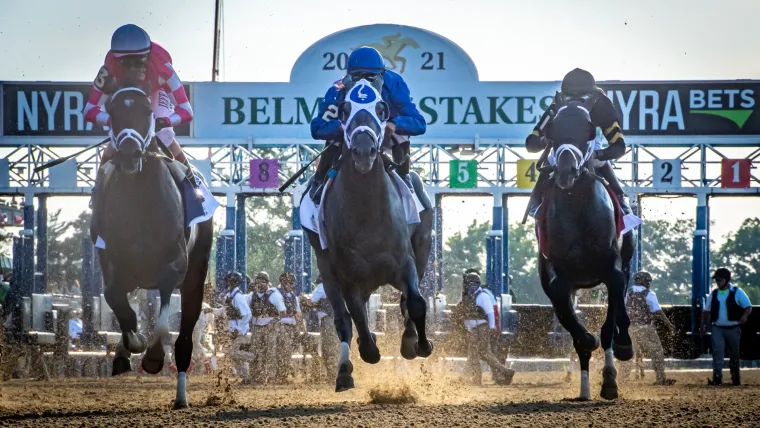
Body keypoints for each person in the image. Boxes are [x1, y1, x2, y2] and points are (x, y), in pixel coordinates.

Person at [309, 46, 426, 201]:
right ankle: (320, 178)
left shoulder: (394, 84)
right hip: (351, 137)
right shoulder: (338, 89)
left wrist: (393, 125)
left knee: (401, 135)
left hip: (384, 135)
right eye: (357, 76)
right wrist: (342, 126)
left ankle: (404, 175)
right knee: (333, 139)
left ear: (382, 74)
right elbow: (317, 128)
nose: (364, 81)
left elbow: (419, 123)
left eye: (371, 77)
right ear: (348, 75)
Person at [525, 68, 631, 217]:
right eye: (569, 97)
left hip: (589, 150)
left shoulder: (601, 105)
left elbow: (619, 147)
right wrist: (547, 138)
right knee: (551, 161)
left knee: (601, 164)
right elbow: (531, 144)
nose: (574, 101)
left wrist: (597, 154)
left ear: (592, 95)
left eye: (582, 96)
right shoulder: (558, 104)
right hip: (560, 150)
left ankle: (622, 207)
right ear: (564, 95)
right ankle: (535, 204)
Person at [85, 24, 194, 169]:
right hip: (124, 92)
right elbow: (89, 109)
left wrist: (166, 121)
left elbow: (187, 110)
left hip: (155, 92)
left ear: (148, 56)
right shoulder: (108, 71)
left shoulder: (163, 68)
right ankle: (99, 184)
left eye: (139, 61)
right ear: (117, 61)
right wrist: (112, 121)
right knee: (116, 136)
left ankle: (193, 182)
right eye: (126, 63)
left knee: (164, 135)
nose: (132, 68)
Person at [459, 272, 514, 385]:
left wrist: (492, 327)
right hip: (472, 329)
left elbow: (490, 313)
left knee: (482, 353)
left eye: (473, 283)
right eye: (469, 283)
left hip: (482, 328)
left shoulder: (483, 296)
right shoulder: (465, 297)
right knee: (478, 354)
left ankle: (478, 379)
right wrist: (467, 328)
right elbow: (464, 313)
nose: (471, 286)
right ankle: (504, 372)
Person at [701, 268, 752, 386]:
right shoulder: (714, 293)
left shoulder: (737, 292)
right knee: (717, 353)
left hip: (733, 328)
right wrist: (703, 324)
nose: (718, 282)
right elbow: (706, 311)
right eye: (717, 280)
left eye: (720, 280)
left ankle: (735, 378)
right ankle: (717, 378)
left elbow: (748, 307)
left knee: (734, 354)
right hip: (717, 328)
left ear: (726, 279)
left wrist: (744, 316)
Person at [627, 271, 676, 385]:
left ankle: (620, 380)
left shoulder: (628, 292)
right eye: (647, 281)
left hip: (630, 327)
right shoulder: (649, 294)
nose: (649, 283)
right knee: (657, 351)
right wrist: (669, 324)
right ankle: (660, 378)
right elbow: (658, 311)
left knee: (628, 354)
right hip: (646, 327)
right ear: (641, 281)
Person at [248, 271, 287, 384]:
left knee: (270, 351)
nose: (260, 284)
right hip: (257, 326)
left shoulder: (274, 295)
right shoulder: (252, 296)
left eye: (263, 281)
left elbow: (283, 312)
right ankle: (255, 376)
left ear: (267, 283)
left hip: (270, 326)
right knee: (255, 351)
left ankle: (271, 376)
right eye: (258, 281)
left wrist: (274, 321)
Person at [301, 275, 339, 382]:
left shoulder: (322, 286)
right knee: (336, 347)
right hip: (338, 319)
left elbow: (311, 302)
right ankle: (338, 373)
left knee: (328, 348)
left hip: (328, 320)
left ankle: (333, 375)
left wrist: (304, 298)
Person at [276, 272, 307, 383]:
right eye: (286, 282)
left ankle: (285, 373)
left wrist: (303, 329)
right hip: (281, 325)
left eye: (290, 283)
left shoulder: (294, 297)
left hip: (292, 326)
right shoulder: (277, 293)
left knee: (289, 350)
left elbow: (298, 314)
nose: (288, 284)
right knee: (284, 349)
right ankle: (281, 374)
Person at [223, 272, 254, 383]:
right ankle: (245, 377)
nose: (227, 283)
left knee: (232, 352)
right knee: (234, 356)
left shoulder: (238, 296)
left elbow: (247, 314)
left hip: (239, 332)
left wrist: (238, 329)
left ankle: (254, 357)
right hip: (233, 330)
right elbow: (226, 311)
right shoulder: (230, 295)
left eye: (229, 281)